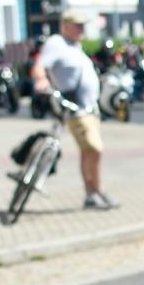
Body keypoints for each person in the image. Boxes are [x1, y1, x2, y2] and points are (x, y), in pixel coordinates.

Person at [31, 12, 117, 210]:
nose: (81, 29)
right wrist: (41, 80)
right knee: (95, 148)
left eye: (82, 25)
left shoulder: (74, 45)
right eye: (77, 25)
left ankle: (91, 193)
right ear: (65, 26)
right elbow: (39, 67)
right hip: (76, 109)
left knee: (88, 152)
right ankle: (97, 191)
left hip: (89, 108)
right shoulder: (56, 43)